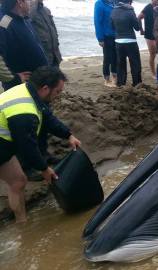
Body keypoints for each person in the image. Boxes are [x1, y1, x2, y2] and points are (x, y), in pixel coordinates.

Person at [0, 66, 81, 223]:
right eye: (57, 92)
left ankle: (22, 225)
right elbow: (27, 147)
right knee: (18, 181)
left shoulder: (28, 90)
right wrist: (44, 169)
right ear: (45, 88)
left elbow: (48, 118)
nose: (58, 96)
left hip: (4, 143)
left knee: (18, 181)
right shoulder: (24, 111)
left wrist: (68, 135)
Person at [0, 0, 48, 90]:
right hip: (21, 87)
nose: (31, 2)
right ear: (20, 2)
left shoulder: (22, 18)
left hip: (37, 82)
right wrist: (14, 79)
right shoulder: (4, 22)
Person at [111, 0, 142, 87]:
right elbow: (137, 28)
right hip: (130, 41)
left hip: (118, 41)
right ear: (129, 2)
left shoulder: (113, 11)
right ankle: (137, 83)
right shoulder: (130, 11)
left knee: (120, 64)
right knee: (135, 63)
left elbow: (112, 26)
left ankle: (121, 83)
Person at [30, 0, 62, 67]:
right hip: (43, 56)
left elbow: (53, 28)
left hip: (54, 55)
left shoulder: (46, 10)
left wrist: (57, 43)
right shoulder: (30, 9)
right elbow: (29, 17)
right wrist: (34, 3)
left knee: (56, 75)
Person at [94, 0, 117, 87]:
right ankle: (107, 79)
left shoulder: (114, 3)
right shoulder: (99, 3)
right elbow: (97, 21)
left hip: (117, 35)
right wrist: (100, 38)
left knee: (115, 57)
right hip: (106, 36)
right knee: (107, 57)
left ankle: (115, 77)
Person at [138, 0, 158, 79]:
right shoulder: (148, 7)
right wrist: (141, 30)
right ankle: (153, 73)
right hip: (149, 35)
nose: (157, 1)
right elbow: (139, 17)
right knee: (153, 54)